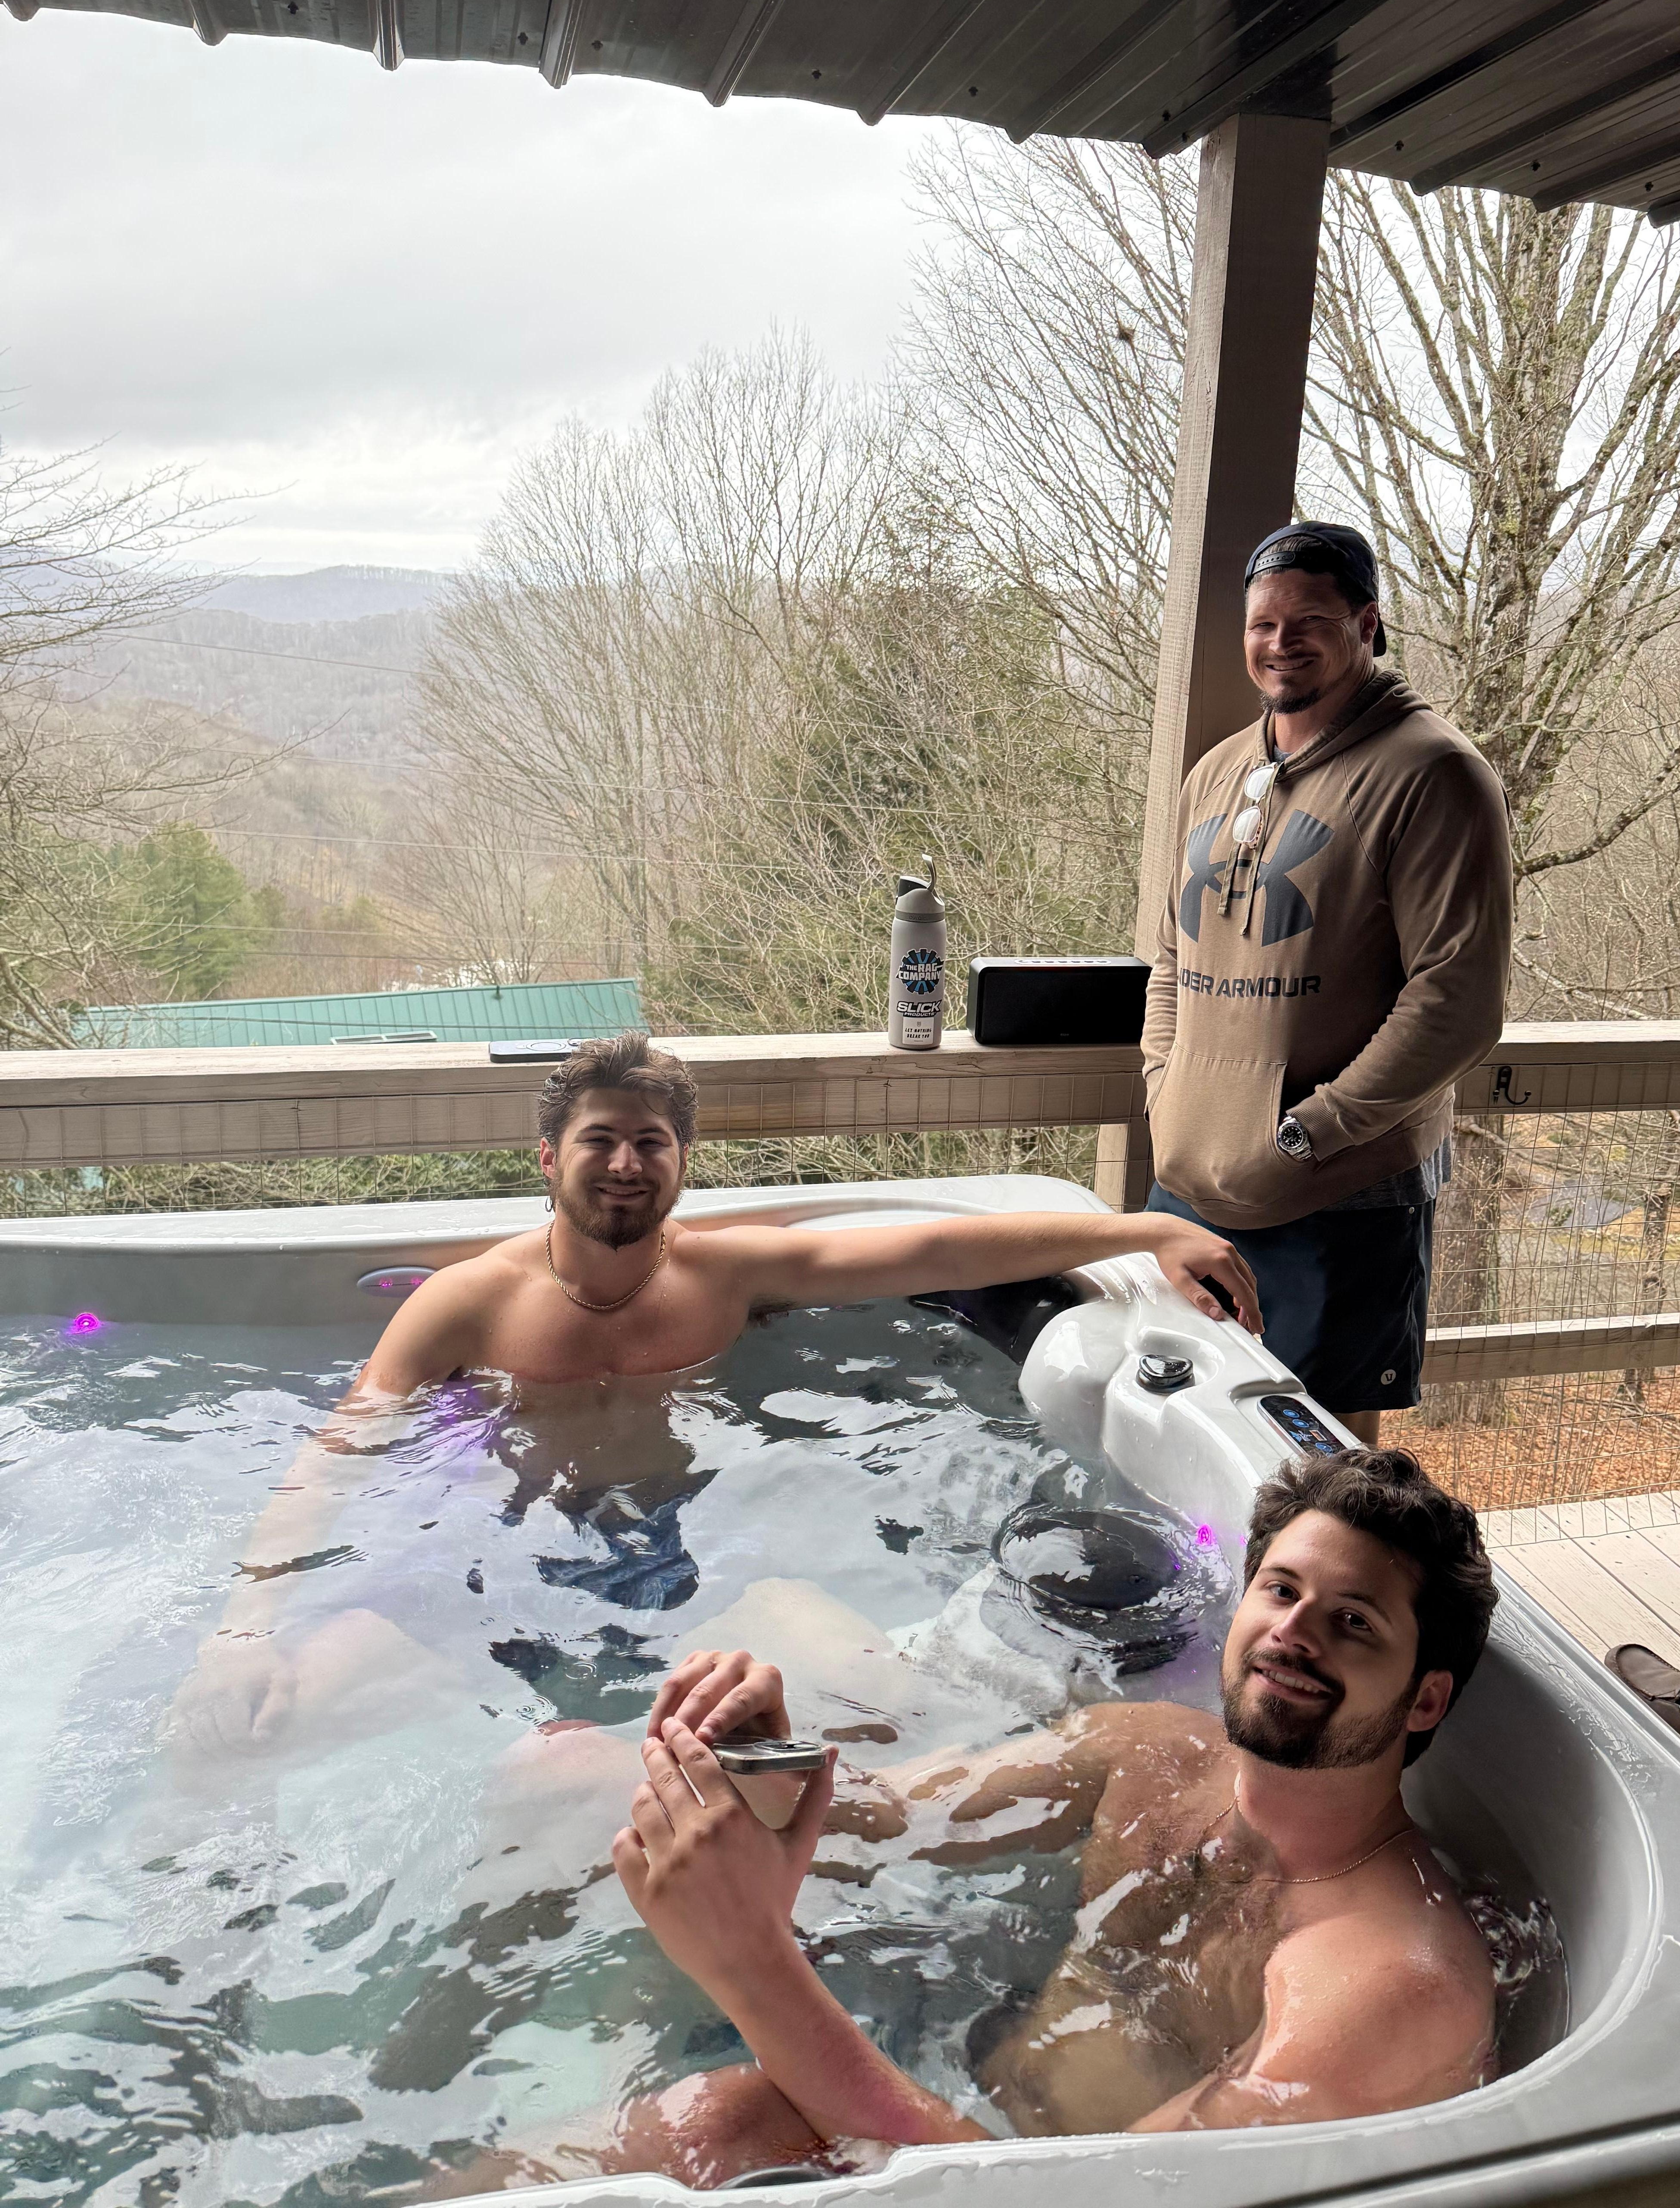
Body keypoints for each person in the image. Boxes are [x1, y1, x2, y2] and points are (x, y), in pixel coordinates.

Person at [168, 1032, 1263, 1760]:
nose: (626, 1163)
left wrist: (1143, 1228)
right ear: (548, 1157)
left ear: (683, 1163)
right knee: (237, 1728)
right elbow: (337, 1455)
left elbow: (929, 1246)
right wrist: (242, 1628)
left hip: (692, 1567)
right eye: (600, 1140)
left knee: (920, 1718)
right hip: (494, 1578)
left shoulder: (724, 1278)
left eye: (652, 1143)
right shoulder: (462, 1307)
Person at [438, 1446, 1500, 2190]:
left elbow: (1095, 2207)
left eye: (1352, 1622)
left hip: (1036, 2186)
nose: (1293, 1634)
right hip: (968, 2107)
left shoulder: (1384, 1981)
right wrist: (761, 1745)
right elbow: (887, 1822)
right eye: (1281, 1592)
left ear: (1425, 1700)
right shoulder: (1151, 1753)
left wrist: (752, 1966)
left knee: (727, 2115)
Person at [1141, 522, 1513, 1445]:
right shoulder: (1219, 773)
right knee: (1177, 1435)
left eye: (1312, 619)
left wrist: (1312, 1133)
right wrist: (1162, 1088)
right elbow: (1172, 962)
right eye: (1263, 622)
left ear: (1369, 624)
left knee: (1319, 1466)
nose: (1281, 641)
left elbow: (1456, 1002)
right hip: (1191, 1179)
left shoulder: (1433, 774)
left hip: (1340, 1194)